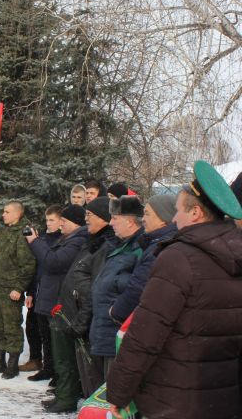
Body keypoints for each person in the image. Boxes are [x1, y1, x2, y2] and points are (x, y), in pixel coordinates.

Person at [106, 161, 242, 419]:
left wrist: (118, 391)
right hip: (224, 398)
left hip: (175, 398)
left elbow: (146, 334)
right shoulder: (235, 253)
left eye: (178, 210)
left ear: (195, 214)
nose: (174, 218)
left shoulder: (178, 257)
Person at [26, 205, 88, 413]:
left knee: (65, 355)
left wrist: (35, 242)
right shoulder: (68, 239)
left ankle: (67, 396)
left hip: (64, 303)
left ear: (76, 223)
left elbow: (53, 262)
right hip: (56, 300)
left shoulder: (78, 240)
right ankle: (63, 393)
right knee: (58, 353)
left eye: (65, 220)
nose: (60, 223)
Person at [52, 197, 116, 401]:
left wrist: (81, 321)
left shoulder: (106, 246)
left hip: (89, 321)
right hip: (79, 317)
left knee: (94, 377)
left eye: (90, 215)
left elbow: (96, 290)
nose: (85, 218)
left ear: (105, 218)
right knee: (86, 375)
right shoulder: (92, 242)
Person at [90, 195, 144, 379]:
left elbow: (137, 288)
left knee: (114, 390)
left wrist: (116, 305)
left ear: (130, 222)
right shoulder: (119, 245)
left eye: (114, 218)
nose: (110, 223)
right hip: (105, 329)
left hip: (118, 331)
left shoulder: (140, 248)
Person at [0, 201, 36, 378]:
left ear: (17, 214)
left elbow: (28, 265)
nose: (3, 214)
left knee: (12, 326)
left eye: (7, 212)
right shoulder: (2, 231)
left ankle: (12, 364)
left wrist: (19, 288)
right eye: (4, 212)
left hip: (10, 289)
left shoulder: (23, 232)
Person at [108, 195, 177, 324]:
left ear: (163, 218)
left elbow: (138, 287)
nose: (143, 219)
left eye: (147, 214)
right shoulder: (153, 243)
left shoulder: (159, 247)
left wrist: (116, 310)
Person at [21, 205, 63, 375]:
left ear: (62, 222)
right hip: (38, 291)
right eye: (47, 220)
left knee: (52, 335)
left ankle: (53, 368)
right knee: (38, 331)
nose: (48, 223)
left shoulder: (62, 240)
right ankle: (43, 364)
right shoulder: (42, 239)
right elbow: (35, 268)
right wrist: (30, 292)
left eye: (52, 220)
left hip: (53, 294)